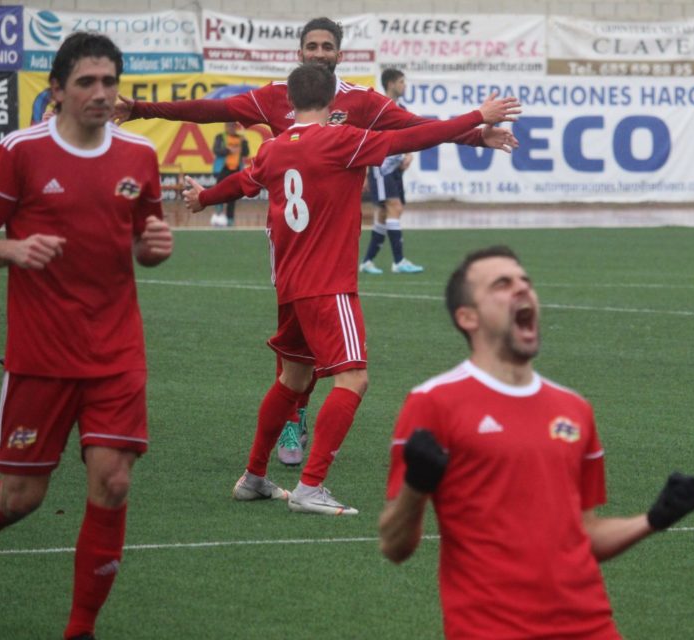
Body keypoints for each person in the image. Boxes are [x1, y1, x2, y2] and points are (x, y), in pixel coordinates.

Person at [115, 17, 520, 467]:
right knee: (308, 345)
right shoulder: (276, 95)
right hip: (288, 240)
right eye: (313, 45)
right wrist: (145, 110)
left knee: (299, 342)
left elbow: (413, 126)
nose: (320, 52)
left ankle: (271, 446)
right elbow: (213, 111)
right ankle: (297, 419)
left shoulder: (362, 102)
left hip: (327, 236)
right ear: (300, 52)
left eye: (328, 46)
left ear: (340, 54)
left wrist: (476, 137)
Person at [181, 66, 519, 515]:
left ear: (292, 101)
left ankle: (254, 477)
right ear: (331, 101)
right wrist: (477, 117)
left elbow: (244, 183)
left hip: (291, 286)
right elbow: (415, 137)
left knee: (292, 380)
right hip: (328, 286)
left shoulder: (275, 148)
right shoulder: (343, 139)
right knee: (353, 378)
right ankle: (309, 487)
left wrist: (203, 199)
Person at [378, 246, 694, 639]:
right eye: (503, 283)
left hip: (592, 626)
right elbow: (394, 545)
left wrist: (652, 520)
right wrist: (417, 486)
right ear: (468, 317)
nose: (522, 289)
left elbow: (583, 536)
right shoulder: (432, 403)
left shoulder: (575, 408)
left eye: (525, 281)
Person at [0, 32, 173, 640]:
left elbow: (144, 242)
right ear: (57, 90)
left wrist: (153, 248)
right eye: (87, 83)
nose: (101, 94)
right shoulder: (19, 151)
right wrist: (13, 248)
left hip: (116, 350)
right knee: (17, 499)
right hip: (39, 355)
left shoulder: (138, 157)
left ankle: (80, 629)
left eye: (109, 82)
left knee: (115, 481)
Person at [359, 69, 420, 275]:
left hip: (395, 168)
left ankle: (367, 262)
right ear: (391, 84)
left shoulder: (402, 108)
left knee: (384, 214)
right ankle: (399, 261)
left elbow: (409, 135)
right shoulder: (378, 108)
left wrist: (409, 154)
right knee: (395, 207)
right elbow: (367, 139)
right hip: (381, 167)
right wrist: (366, 169)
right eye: (402, 82)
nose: (405, 86)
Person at [210, 122, 250, 227]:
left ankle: (230, 219)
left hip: (236, 169)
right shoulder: (220, 137)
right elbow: (216, 150)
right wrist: (228, 150)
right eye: (229, 126)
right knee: (219, 190)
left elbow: (246, 153)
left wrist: (245, 144)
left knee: (233, 194)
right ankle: (218, 212)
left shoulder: (241, 138)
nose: (231, 128)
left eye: (233, 126)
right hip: (223, 169)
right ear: (226, 126)